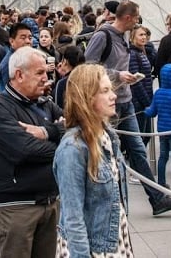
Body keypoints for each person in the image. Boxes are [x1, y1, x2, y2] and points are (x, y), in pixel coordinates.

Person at [85, 0, 171, 216]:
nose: (138, 21)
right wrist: (118, 75)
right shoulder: (104, 36)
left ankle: (157, 199)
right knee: (108, 152)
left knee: (138, 149)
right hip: (107, 105)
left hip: (125, 100)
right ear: (128, 18)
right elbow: (89, 66)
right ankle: (110, 203)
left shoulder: (123, 37)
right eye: (136, 17)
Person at [0, 46, 63, 258]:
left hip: (50, 201)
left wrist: (47, 131)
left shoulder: (45, 103)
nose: (46, 78)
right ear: (18, 74)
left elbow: (76, 130)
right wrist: (61, 144)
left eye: (46, 72)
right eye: (40, 73)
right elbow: (25, 150)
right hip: (18, 206)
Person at [53, 64, 132, 257]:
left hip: (115, 243)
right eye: (105, 91)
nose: (113, 96)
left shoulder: (109, 136)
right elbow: (73, 217)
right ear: (87, 99)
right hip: (90, 249)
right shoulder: (73, 149)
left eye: (111, 89)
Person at [144, 63, 171, 193]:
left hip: (162, 130)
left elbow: (152, 112)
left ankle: (161, 183)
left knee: (163, 156)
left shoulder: (158, 93)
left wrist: (145, 110)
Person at [127, 25, 155, 134]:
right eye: (140, 35)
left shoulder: (140, 52)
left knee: (145, 134)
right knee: (142, 134)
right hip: (139, 102)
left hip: (143, 100)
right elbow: (136, 82)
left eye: (145, 35)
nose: (144, 37)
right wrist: (147, 101)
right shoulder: (133, 54)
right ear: (132, 37)